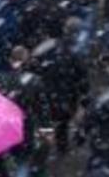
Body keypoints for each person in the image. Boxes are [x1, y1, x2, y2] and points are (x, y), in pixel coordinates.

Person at [32, 18, 90, 154]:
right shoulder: (75, 54)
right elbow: (82, 78)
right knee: (62, 124)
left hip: (47, 93)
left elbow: (36, 65)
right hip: (67, 95)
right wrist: (85, 97)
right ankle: (61, 148)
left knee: (46, 122)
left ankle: (44, 149)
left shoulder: (50, 47)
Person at [0, 46, 52, 177]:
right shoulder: (35, 81)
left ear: (10, 60)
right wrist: (46, 129)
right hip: (25, 129)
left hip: (4, 129)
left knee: (6, 161)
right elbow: (42, 109)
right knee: (23, 161)